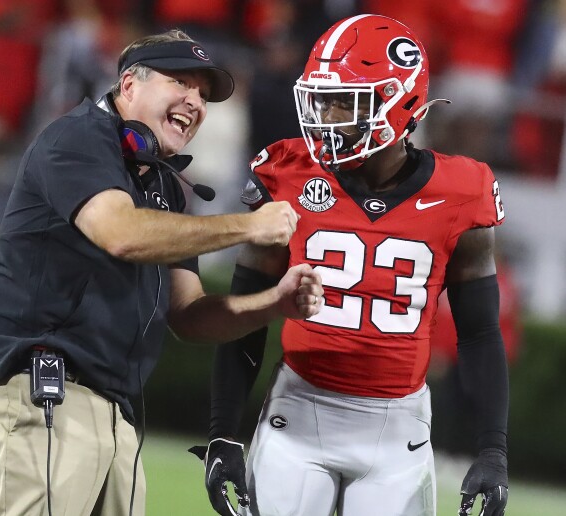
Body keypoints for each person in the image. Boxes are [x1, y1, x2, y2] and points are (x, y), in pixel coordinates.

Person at [0, 29, 324, 516]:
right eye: (180, 81)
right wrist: (248, 226)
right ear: (129, 85)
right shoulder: (78, 137)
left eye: (203, 93)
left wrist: (274, 303)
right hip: (44, 387)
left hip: (118, 409)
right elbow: (120, 232)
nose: (195, 101)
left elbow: (189, 313)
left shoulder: (163, 185)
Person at [194, 14, 509, 516]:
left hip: (398, 432)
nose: (326, 116)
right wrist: (224, 432)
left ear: (399, 104)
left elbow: (479, 334)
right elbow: (247, 313)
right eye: (322, 99)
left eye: (345, 101)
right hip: (297, 419)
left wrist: (493, 448)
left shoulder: (462, 191)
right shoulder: (288, 171)